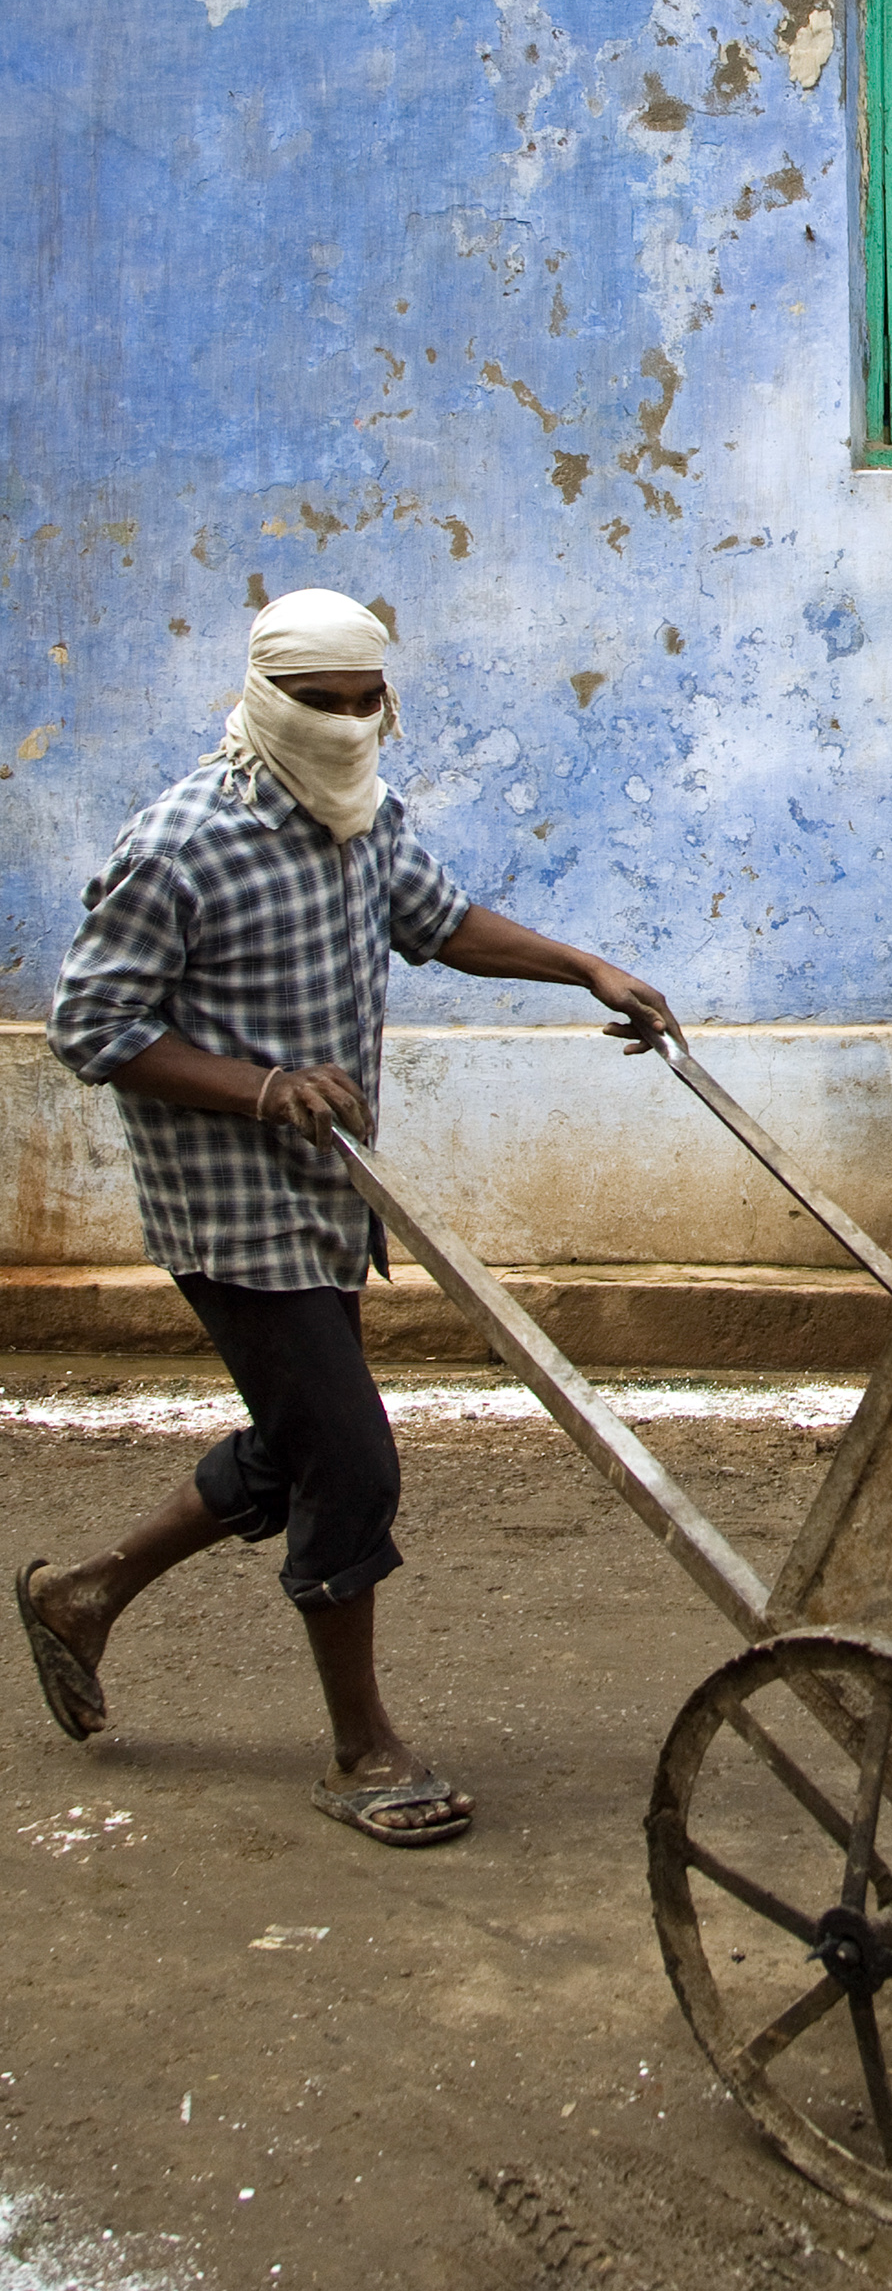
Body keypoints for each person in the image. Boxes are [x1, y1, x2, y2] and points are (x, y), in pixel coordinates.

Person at [17, 588, 680, 1847]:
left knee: (297, 1440)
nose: (341, 725)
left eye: (362, 702)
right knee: (351, 1460)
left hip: (329, 1195)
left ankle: (84, 1595)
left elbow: (441, 922)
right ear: (264, 699)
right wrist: (262, 1088)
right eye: (315, 704)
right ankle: (361, 1749)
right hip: (228, 1207)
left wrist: (584, 967)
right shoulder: (180, 845)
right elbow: (90, 1027)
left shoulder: (364, 815)